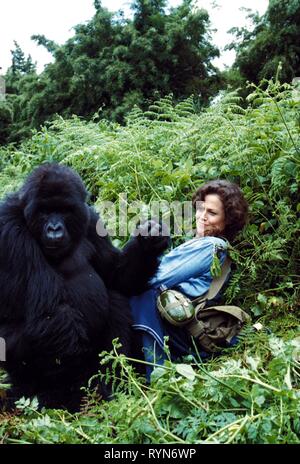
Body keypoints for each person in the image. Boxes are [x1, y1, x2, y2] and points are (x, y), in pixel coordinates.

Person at [130, 180, 249, 378]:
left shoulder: (211, 245)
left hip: (184, 330)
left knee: (143, 292)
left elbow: (154, 278)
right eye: (201, 209)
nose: (202, 217)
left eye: (212, 213)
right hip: (178, 326)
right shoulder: (202, 243)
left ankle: (158, 376)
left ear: (228, 220)